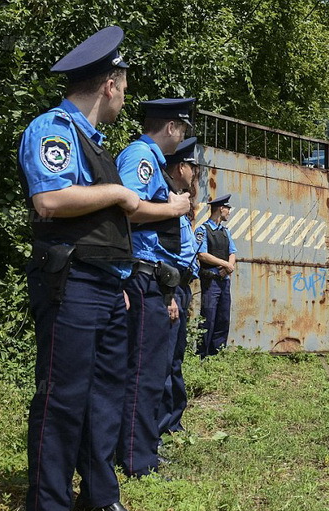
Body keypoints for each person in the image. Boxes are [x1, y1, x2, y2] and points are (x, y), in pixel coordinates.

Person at [18, 26, 139, 511]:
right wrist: (116, 191)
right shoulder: (54, 129)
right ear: (109, 84)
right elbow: (49, 201)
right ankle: (48, 509)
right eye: (124, 84)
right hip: (70, 284)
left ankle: (98, 490)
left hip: (106, 284)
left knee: (107, 392)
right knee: (62, 396)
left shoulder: (94, 142)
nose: (126, 94)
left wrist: (121, 281)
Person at [115, 98, 195, 477]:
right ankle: (135, 458)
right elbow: (128, 208)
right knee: (143, 372)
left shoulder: (152, 161)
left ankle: (141, 449)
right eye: (183, 129)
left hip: (153, 277)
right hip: (139, 275)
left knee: (150, 370)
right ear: (171, 128)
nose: (182, 137)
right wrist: (174, 209)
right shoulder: (140, 156)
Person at [157, 136, 200, 438]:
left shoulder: (179, 202)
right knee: (164, 363)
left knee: (175, 359)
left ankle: (172, 422)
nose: (196, 174)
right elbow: (161, 253)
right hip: (169, 288)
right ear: (181, 166)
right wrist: (168, 295)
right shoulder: (167, 203)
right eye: (193, 167)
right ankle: (159, 428)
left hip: (180, 288)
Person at [196, 194, 237, 357]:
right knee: (208, 318)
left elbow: (233, 252)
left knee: (222, 319)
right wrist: (225, 264)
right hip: (211, 281)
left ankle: (217, 355)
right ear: (221, 209)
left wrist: (228, 267)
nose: (229, 212)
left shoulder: (225, 232)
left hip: (224, 281)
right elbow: (202, 255)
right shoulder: (203, 230)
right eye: (228, 209)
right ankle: (202, 355)